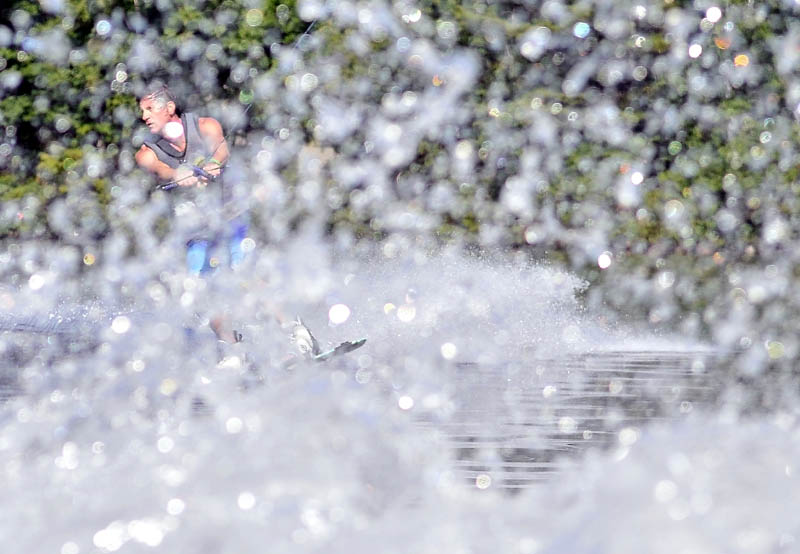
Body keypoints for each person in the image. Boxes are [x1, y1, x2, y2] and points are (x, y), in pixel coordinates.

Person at [135, 83, 245, 343]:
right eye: (142, 111)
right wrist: (179, 174)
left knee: (245, 274)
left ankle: (294, 332)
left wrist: (215, 163)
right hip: (196, 232)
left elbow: (222, 149)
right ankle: (232, 348)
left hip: (230, 217)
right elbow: (161, 169)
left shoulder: (206, 126)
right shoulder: (146, 153)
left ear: (169, 108)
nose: (144, 116)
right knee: (203, 293)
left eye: (150, 109)